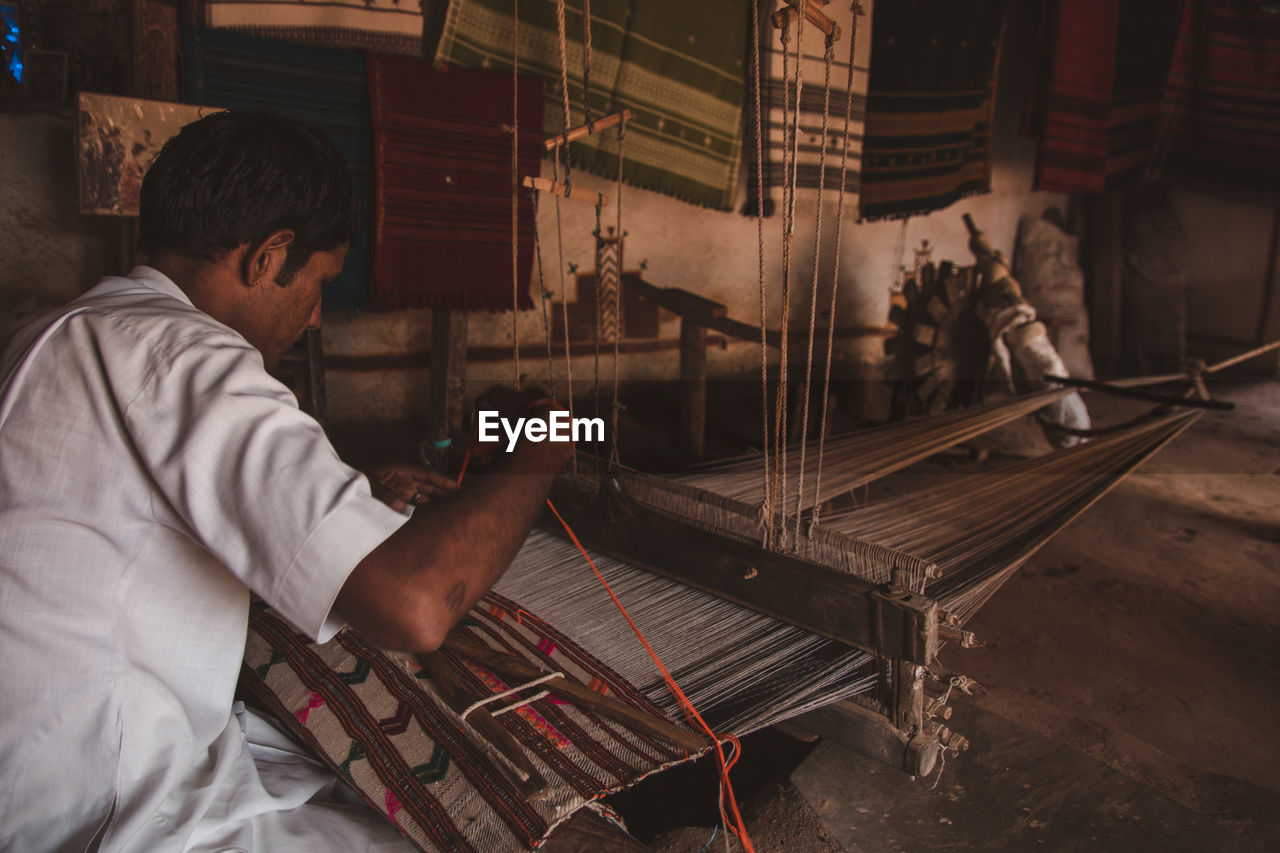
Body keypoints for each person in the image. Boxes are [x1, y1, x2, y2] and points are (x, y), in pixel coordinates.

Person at [0, 109, 572, 851]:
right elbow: (416, 603)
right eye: (321, 283)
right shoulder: (186, 357)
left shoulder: (56, 332)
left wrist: (349, 493)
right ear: (270, 256)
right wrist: (549, 444)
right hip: (99, 807)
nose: (312, 317)